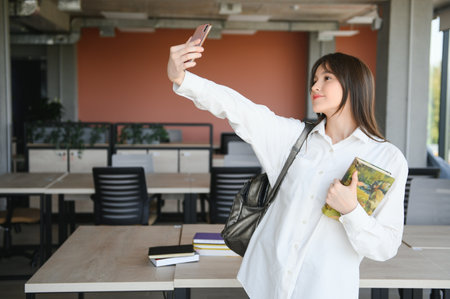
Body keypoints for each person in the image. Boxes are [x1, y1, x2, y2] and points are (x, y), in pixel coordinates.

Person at [167, 38, 408, 299]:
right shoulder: (292, 138)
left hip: (324, 290)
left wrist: (351, 211)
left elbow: (385, 247)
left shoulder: (387, 158)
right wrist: (182, 78)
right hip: (267, 284)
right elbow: (240, 109)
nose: (315, 85)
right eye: (314, 79)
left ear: (355, 85)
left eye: (327, 78)